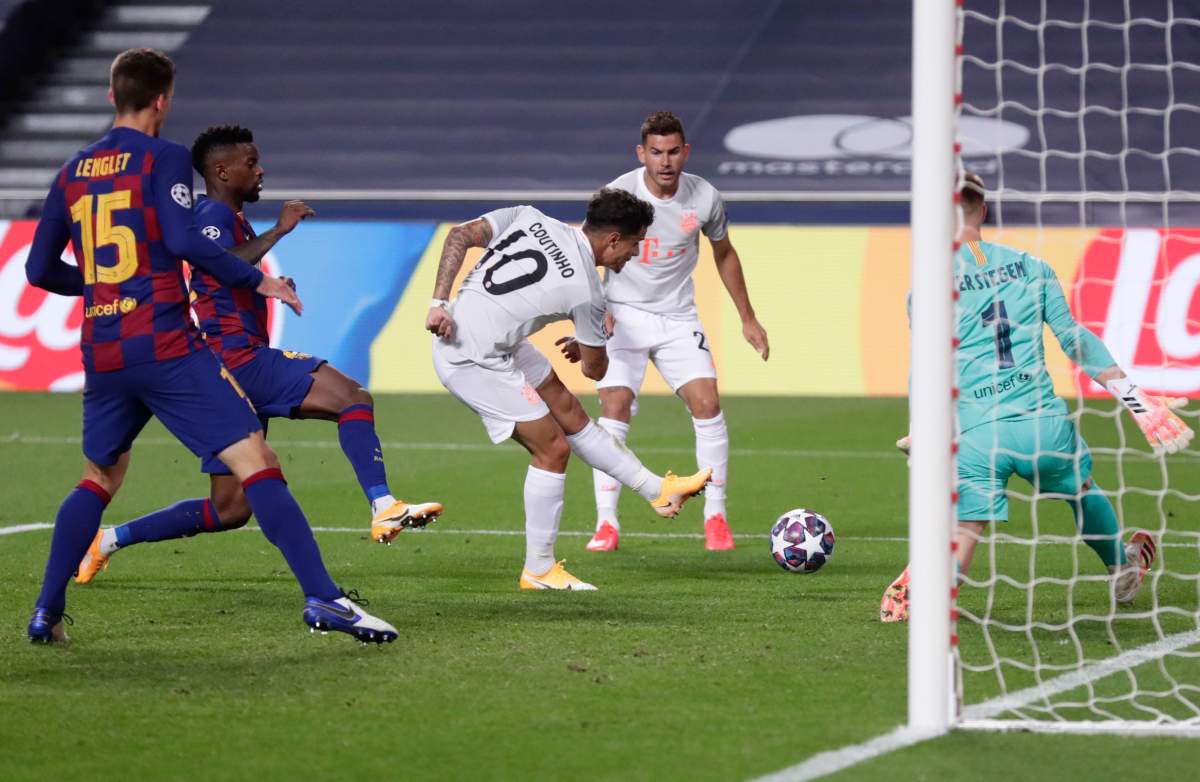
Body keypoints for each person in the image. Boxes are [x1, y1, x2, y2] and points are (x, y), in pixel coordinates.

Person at [23, 48, 396, 644]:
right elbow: (181, 238)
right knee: (257, 463)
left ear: (111, 95)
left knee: (98, 477)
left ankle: (46, 612)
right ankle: (324, 599)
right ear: (163, 99)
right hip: (165, 343)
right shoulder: (164, 157)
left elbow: (40, 271)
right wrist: (257, 279)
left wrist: (100, 285)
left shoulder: (71, 171)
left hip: (103, 349)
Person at [73, 125, 442, 585]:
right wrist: (280, 231)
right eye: (251, 163)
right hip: (237, 358)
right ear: (222, 172)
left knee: (229, 509)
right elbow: (216, 260)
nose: (261, 170)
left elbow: (227, 271)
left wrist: (268, 285)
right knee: (352, 397)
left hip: (226, 368)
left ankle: (108, 539)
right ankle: (384, 505)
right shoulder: (211, 213)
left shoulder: (231, 218)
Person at [879, 172, 1193, 622]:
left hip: (977, 434)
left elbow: (926, 368)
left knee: (966, 527)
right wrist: (1135, 398)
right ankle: (1122, 568)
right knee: (1082, 492)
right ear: (984, 210)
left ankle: (928, 601)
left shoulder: (928, 287)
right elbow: (1074, 339)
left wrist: (919, 429)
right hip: (1043, 425)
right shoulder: (1032, 267)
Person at [425, 188, 711, 591]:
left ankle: (658, 491)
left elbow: (459, 235)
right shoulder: (588, 292)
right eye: (634, 244)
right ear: (613, 240)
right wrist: (592, 343)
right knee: (553, 449)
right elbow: (596, 370)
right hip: (471, 359)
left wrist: (439, 302)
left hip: (487, 336)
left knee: (569, 412)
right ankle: (539, 569)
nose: (634, 254)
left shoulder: (529, 216)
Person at [585, 111, 769, 553]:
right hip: (622, 315)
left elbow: (725, 253)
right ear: (641, 153)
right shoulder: (616, 195)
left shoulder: (704, 197)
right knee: (615, 406)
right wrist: (596, 309)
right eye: (656, 152)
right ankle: (606, 522)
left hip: (678, 317)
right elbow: (586, 253)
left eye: (672, 152)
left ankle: (716, 516)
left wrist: (747, 317)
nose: (665, 162)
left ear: (685, 152)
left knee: (708, 403)